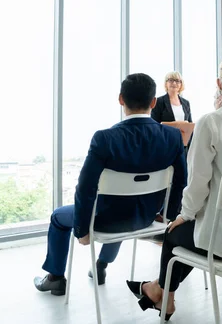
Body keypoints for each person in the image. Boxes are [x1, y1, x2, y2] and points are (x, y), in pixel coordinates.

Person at [126, 54, 222, 317]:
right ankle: (157, 291)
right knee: (192, 232)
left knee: (173, 233)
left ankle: (162, 296)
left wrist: (184, 215)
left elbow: (197, 183)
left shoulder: (212, 122)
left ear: (219, 84)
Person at [34, 73, 186, 294]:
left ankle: (55, 278)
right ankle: (101, 265)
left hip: (106, 220)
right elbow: (181, 181)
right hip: (145, 218)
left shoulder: (105, 138)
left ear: (121, 99)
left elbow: (85, 189)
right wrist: (167, 216)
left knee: (59, 216)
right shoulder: (172, 137)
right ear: (153, 102)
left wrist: (82, 229)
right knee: (124, 205)